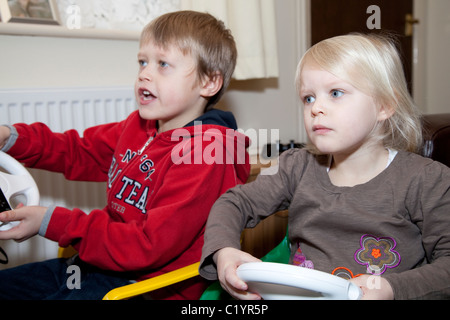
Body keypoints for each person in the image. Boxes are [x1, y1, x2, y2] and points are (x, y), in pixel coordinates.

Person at [0, 10, 250, 300]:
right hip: (96, 264)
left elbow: (147, 245)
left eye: (163, 64)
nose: (144, 73)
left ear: (209, 83)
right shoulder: (138, 126)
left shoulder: (205, 155)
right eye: (143, 62)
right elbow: (80, 151)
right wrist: (11, 137)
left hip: (147, 287)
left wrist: (52, 222)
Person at [199, 34, 450, 300]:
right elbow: (233, 203)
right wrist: (224, 251)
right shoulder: (296, 167)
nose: (316, 107)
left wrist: (391, 289)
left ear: (384, 105)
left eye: (335, 93)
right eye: (308, 98)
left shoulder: (427, 180)